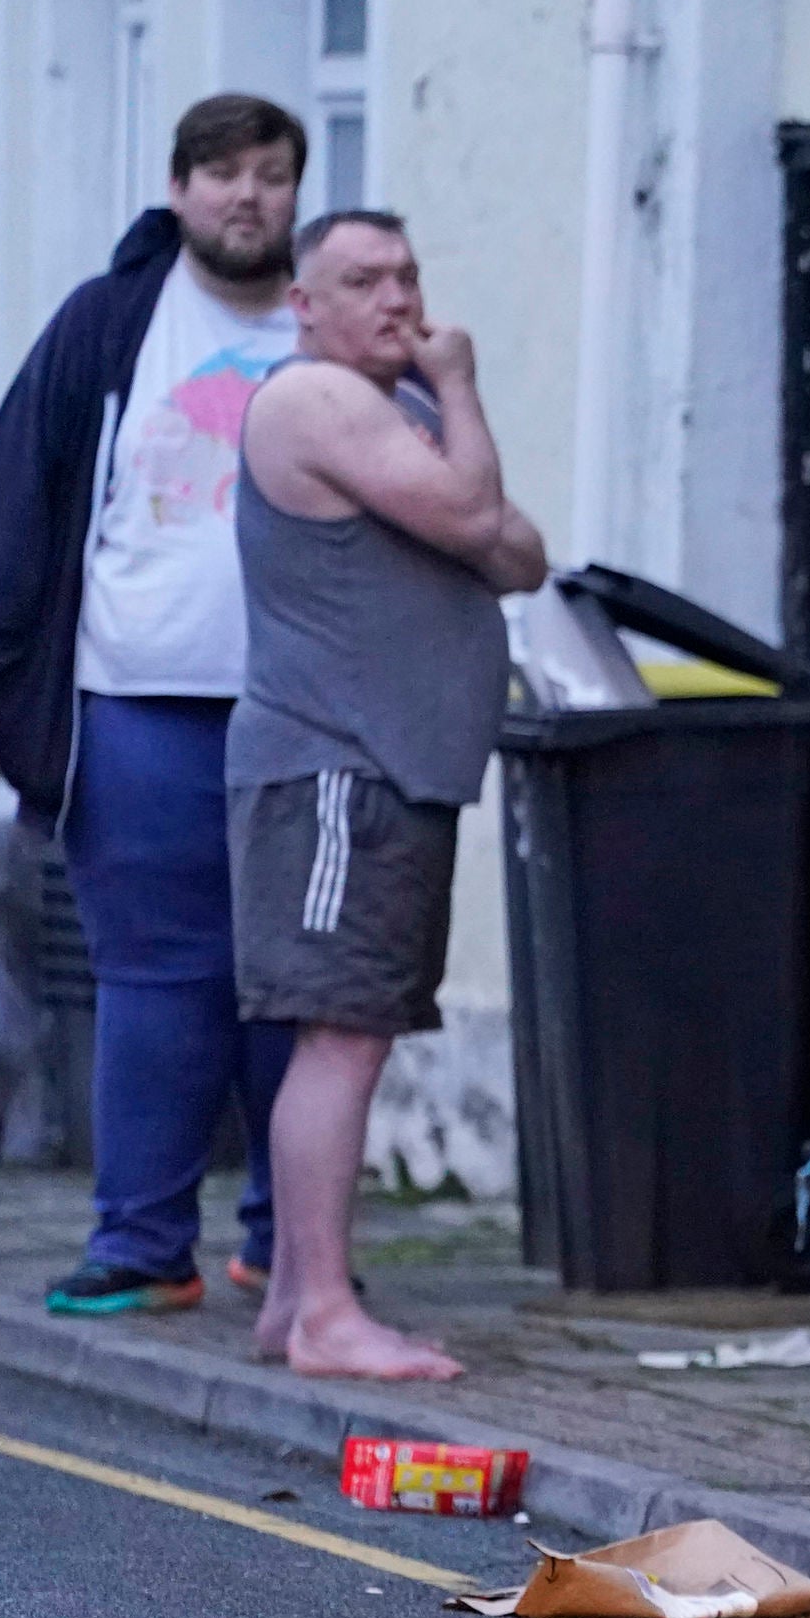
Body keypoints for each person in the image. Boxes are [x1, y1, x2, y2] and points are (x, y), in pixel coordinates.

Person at [0, 95, 313, 1318]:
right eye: (221, 173)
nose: (246, 196)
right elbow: (15, 500)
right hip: (136, 706)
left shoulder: (331, 331)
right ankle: (142, 1240)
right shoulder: (111, 323)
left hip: (305, 718)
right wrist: (7, 672)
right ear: (177, 190)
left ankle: (292, 1246)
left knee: (298, 986)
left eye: (271, 174)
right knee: (157, 983)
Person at [226, 211, 545, 1380]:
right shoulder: (318, 399)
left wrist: (448, 419)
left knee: (352, 1028)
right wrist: (458, 384)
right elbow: (474, 517)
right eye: (361, 280)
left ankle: (299, 1305)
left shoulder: (394, 407)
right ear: (303, 303)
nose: (396, 299)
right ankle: (320, 1311)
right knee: (343, 1033)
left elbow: (523, 552)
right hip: (336, 766)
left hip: (386, 769)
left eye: (407, 274)